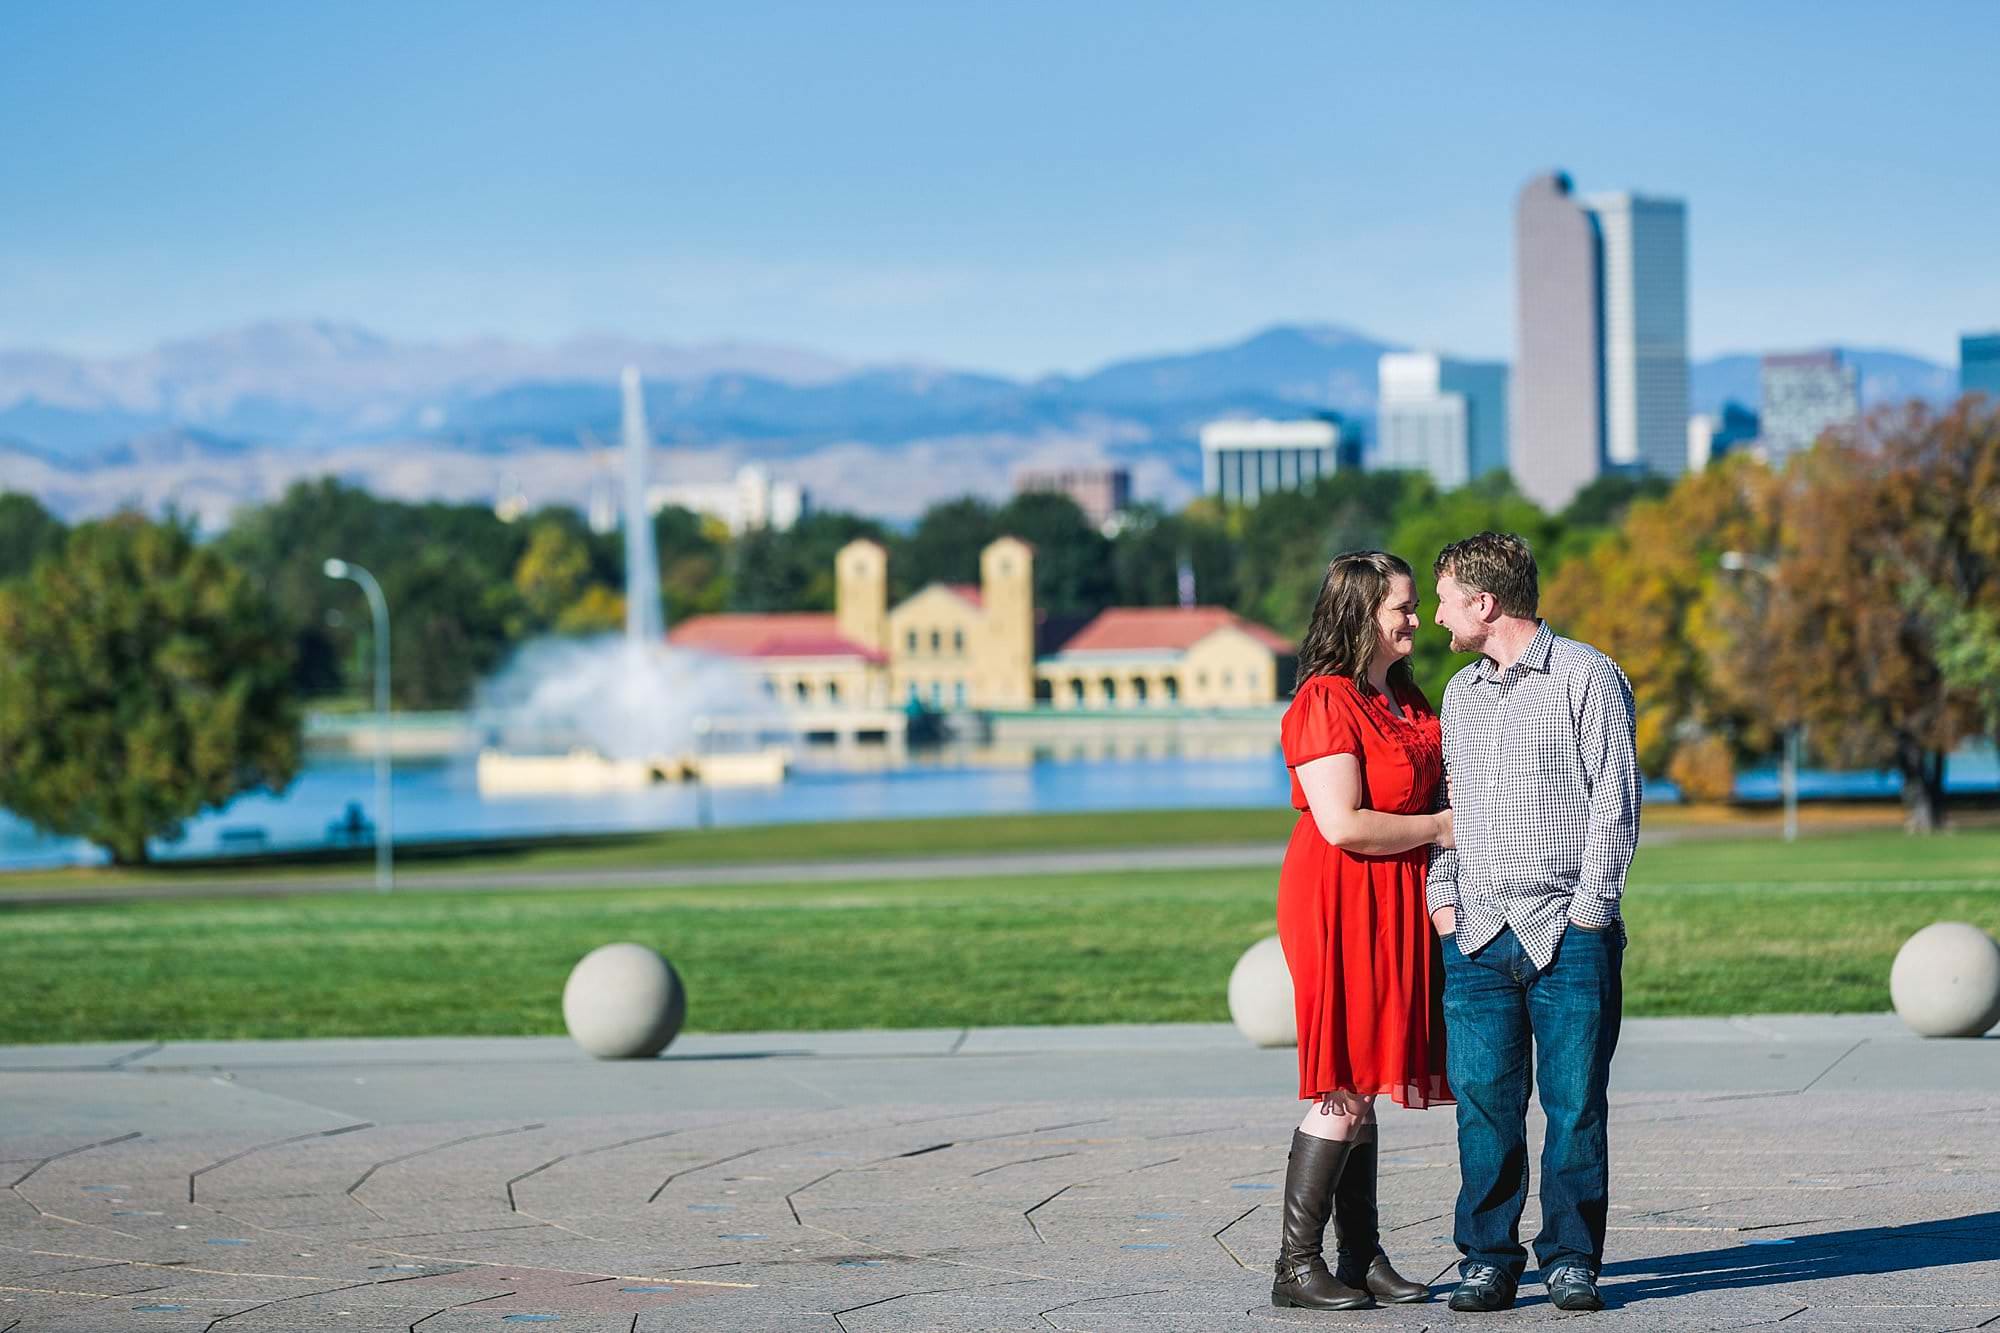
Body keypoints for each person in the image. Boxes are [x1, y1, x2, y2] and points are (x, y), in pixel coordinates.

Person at [1425, 532, 1640, 1315]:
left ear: (1484, 602)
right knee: (1485, 1105)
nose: (1435, 613)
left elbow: (1615, 804)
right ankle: (1488, 1257)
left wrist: (1590, 916)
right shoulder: (1460, 693)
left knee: (1576, 1103)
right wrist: (1444, 902)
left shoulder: (1588, 676)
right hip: (1477, 935)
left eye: (1444, 596)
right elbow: (1451, 809)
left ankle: (1572, 1257)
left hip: (1569, 933)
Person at [1271, 550, 1454, 1310]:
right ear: (1360, 614)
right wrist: (1444, 828)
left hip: (1394, 896)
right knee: (1343, 1080)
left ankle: (1360, 1255)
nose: (1414, 620)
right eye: (1401, 609)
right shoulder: (1323, 699)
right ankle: (1294, 1264)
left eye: (1413, 607)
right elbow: (1342, 823)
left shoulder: (1402, 694)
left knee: (1368, 1080)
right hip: (1339, 898)